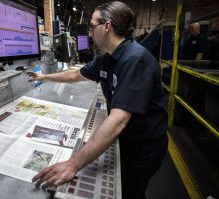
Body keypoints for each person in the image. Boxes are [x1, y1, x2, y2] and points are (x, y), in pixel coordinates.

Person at [29, 1, 168, 198]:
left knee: (130, 192)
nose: (90, 32)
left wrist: (73, 164)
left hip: (142, 148)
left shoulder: (135, 59)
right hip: (128, 140)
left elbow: (119, 120)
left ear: (107, 26)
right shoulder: (109, 58)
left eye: (92, 26)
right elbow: (75, 75)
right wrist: (44, 77)